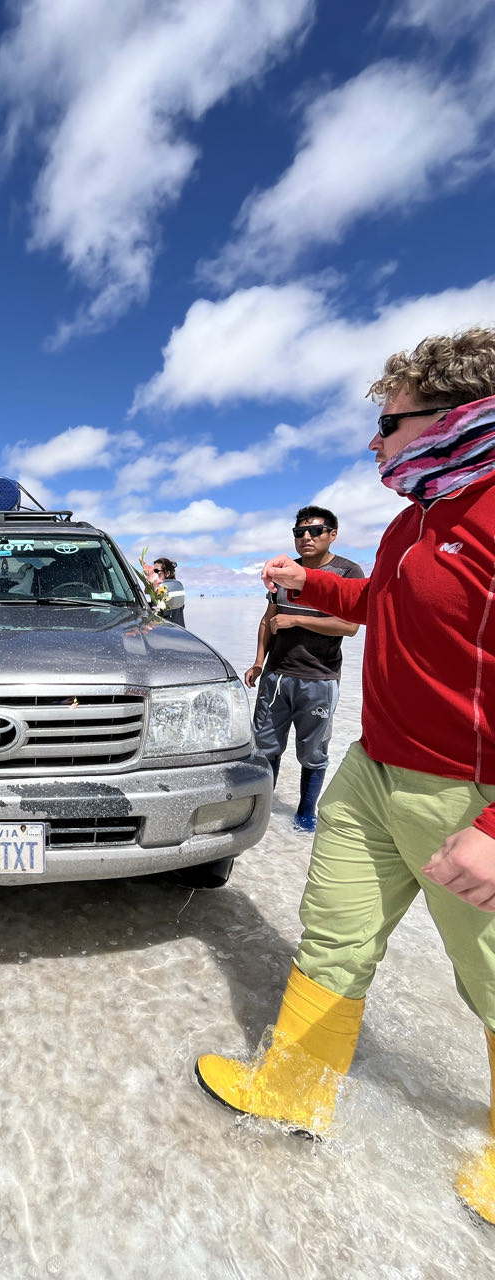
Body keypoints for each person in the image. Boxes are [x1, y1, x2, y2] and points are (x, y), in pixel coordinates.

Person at [195, 326, 495, 1225]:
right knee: (334, 935)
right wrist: (310, 583)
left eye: (390, 423)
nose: (374, 442)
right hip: (375, 770)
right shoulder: (417, 518)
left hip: (469, 796)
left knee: (490, 975)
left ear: (461, 415)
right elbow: (381, 601)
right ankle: (295, 1088)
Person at [245, 508, 364, 833]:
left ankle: (306, 813)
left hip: (319, 678)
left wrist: (297, 619)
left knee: (313, 753)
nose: (306, 537)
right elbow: (268, 619)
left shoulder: (347, 571)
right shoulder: (285, 571)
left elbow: (350, 625)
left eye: (316, 531)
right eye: (300, 532)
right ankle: (262, 813)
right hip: (276, 676)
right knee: (266, 747)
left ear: (333, 534)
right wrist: (259, 662)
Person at [152, 556, 186, 626]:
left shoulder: (170, 589)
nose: (154, 575)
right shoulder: (162, 588)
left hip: (171, 631)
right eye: (152, 572)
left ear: (167, 573)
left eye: (156, 571)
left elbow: (161, 612)